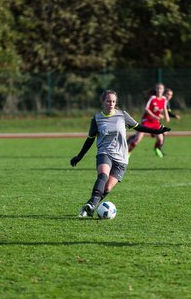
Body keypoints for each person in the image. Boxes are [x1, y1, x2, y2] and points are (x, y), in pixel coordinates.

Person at [70, 89, 171, 218]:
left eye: (113, 101)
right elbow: (90, 140)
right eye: (108, 101)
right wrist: (79, 156)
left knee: (107, 188)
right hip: (104, 152)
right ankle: (91, 205)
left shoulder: (122, 115)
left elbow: (138, 126)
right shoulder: (97, 119)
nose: (111, 103)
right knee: (102, 176)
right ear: (103, 102)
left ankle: (91, 205)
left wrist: (156, 131)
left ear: (115, 102)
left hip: (121, 158)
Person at [127, 83, 170, 158]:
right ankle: (128, 152)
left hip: (155, 122)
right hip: (146, 121)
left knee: (161, 139)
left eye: (161, 88)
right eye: (158, 88)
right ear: (155, 89)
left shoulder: (164, 99)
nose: (159, 90)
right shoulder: (152, 98)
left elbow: (164, 108)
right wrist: (154, 116)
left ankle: (156, 148)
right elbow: (146, 109)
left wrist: (167, 116)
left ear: (163, 90)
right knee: (137, 139)